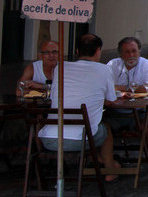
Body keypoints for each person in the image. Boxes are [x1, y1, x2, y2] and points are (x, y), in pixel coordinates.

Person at [37, 33, 121, 181]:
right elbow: (111, 100)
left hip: (49, 138)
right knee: (106, 128)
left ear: (76, 51)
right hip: (83, 139)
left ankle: (101, 160)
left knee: (94, 125)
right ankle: (109, 169)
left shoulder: (60, 68)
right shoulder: (104, 70)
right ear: (98, 51)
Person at [104, 37, 148, 133]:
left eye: (134, 51)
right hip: (114, 112)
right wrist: (136, 89)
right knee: (102, 131)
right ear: (120, 54)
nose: (131, 55)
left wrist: (123, 88)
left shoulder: (146, 65)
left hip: (140, 111)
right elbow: (104, 87)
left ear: (139, 51)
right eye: (127, 52)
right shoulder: (112, 65)